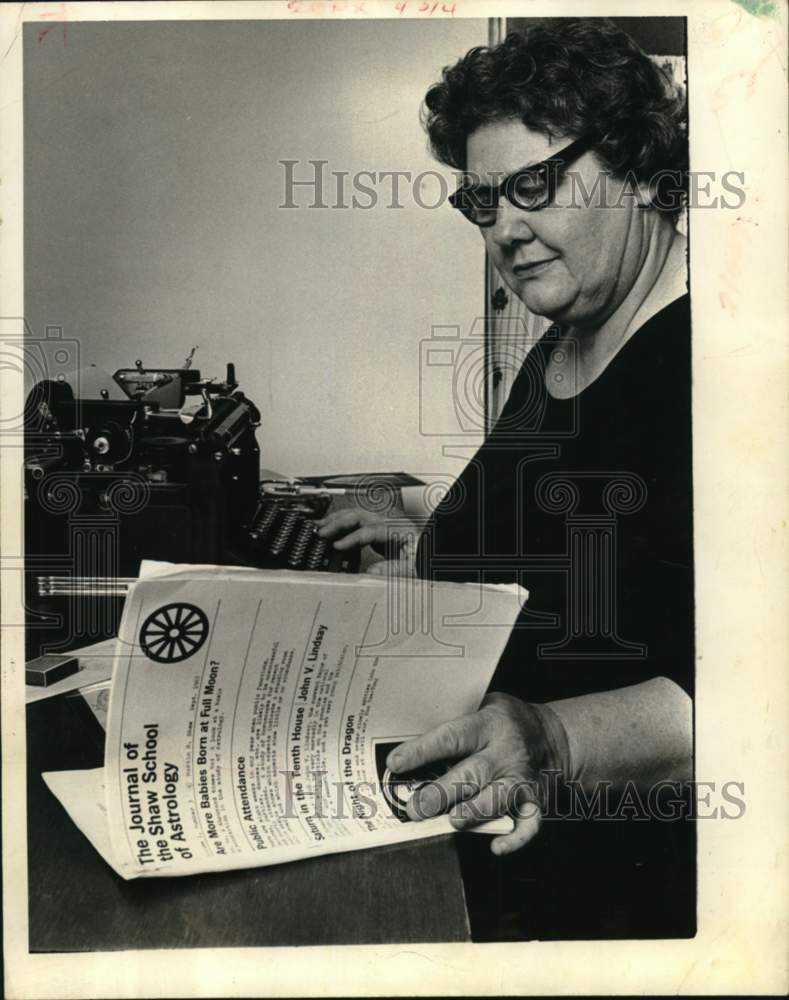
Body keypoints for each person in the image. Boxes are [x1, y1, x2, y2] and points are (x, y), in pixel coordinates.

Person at [317, 20, 693, 864]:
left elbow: (753, 682)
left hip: (602, 851)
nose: (504, 232)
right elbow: (560, 522)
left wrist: (557, 738)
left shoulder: (717, 365)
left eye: (534, 185)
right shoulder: (570, 334)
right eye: (483, 202)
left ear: (634, 168)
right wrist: (427, 539)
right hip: (475, 782)